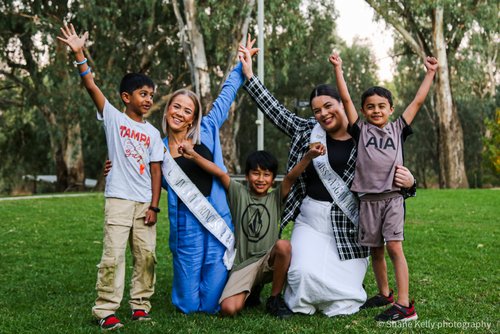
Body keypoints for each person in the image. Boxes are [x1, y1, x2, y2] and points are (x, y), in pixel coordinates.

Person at [238, 44, 417, 317]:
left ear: (342, 105)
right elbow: (273, 110)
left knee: (340, 292)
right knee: (301, 276)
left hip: (348, 225)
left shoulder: (366, 136)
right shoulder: (306, 130)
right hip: (310, 218)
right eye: (317, 110)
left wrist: (410, 183)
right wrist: (249, 75)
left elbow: (386, 182)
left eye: (328, 106)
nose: (323, 114)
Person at [58, 24, 164, 330]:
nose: (147, 99)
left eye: (151, 95)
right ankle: (106, 310)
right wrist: (79, 53)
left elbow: (156, 170)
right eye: (142, 94)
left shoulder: (153, 133)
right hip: (118, 199)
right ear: (125, 97)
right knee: (113, 256)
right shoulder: (114, 119)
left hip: (145, 203)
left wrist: (155, 206)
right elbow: (91, 85)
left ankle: (140, 306)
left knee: (146, 257)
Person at [330, 53, 437, 322]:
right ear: (364, 111)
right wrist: (339, 69)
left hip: (392, 199)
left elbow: (418, 101)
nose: (376, 110)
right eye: (370, 106)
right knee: (375, 249)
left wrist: (430, 73)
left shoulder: (399, 128)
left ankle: (404, 305)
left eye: (381, 106)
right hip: (368, 201)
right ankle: (384, 293)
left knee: (394, 248)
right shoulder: (360, 131)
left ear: (391, 109)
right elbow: (345, 100)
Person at [158, 41, 259, 315]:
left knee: (213, 299)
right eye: (175, 107)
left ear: (193, 118)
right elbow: (144, 177)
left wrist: (242, 63)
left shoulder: (208, 129)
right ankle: (189, 298)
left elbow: (226, 94)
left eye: (187, 110)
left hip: (215, 214)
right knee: (189, 305)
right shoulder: (155, 146)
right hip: (184, 220)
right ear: (167, 110)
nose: (180, 113)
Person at [178, 143, 324, 318]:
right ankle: (252, 291)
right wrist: (193, 154)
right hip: (244, 264)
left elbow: (290, 178)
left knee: (284, 246)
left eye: (266, 175)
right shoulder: (238, 193)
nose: (261, 179)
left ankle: (275, 299)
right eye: (255, 173)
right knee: (229, 309)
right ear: (247, 176)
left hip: (267, 261)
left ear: (272, 179)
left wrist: (308, 156)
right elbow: (218, 172)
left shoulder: (275, 198)